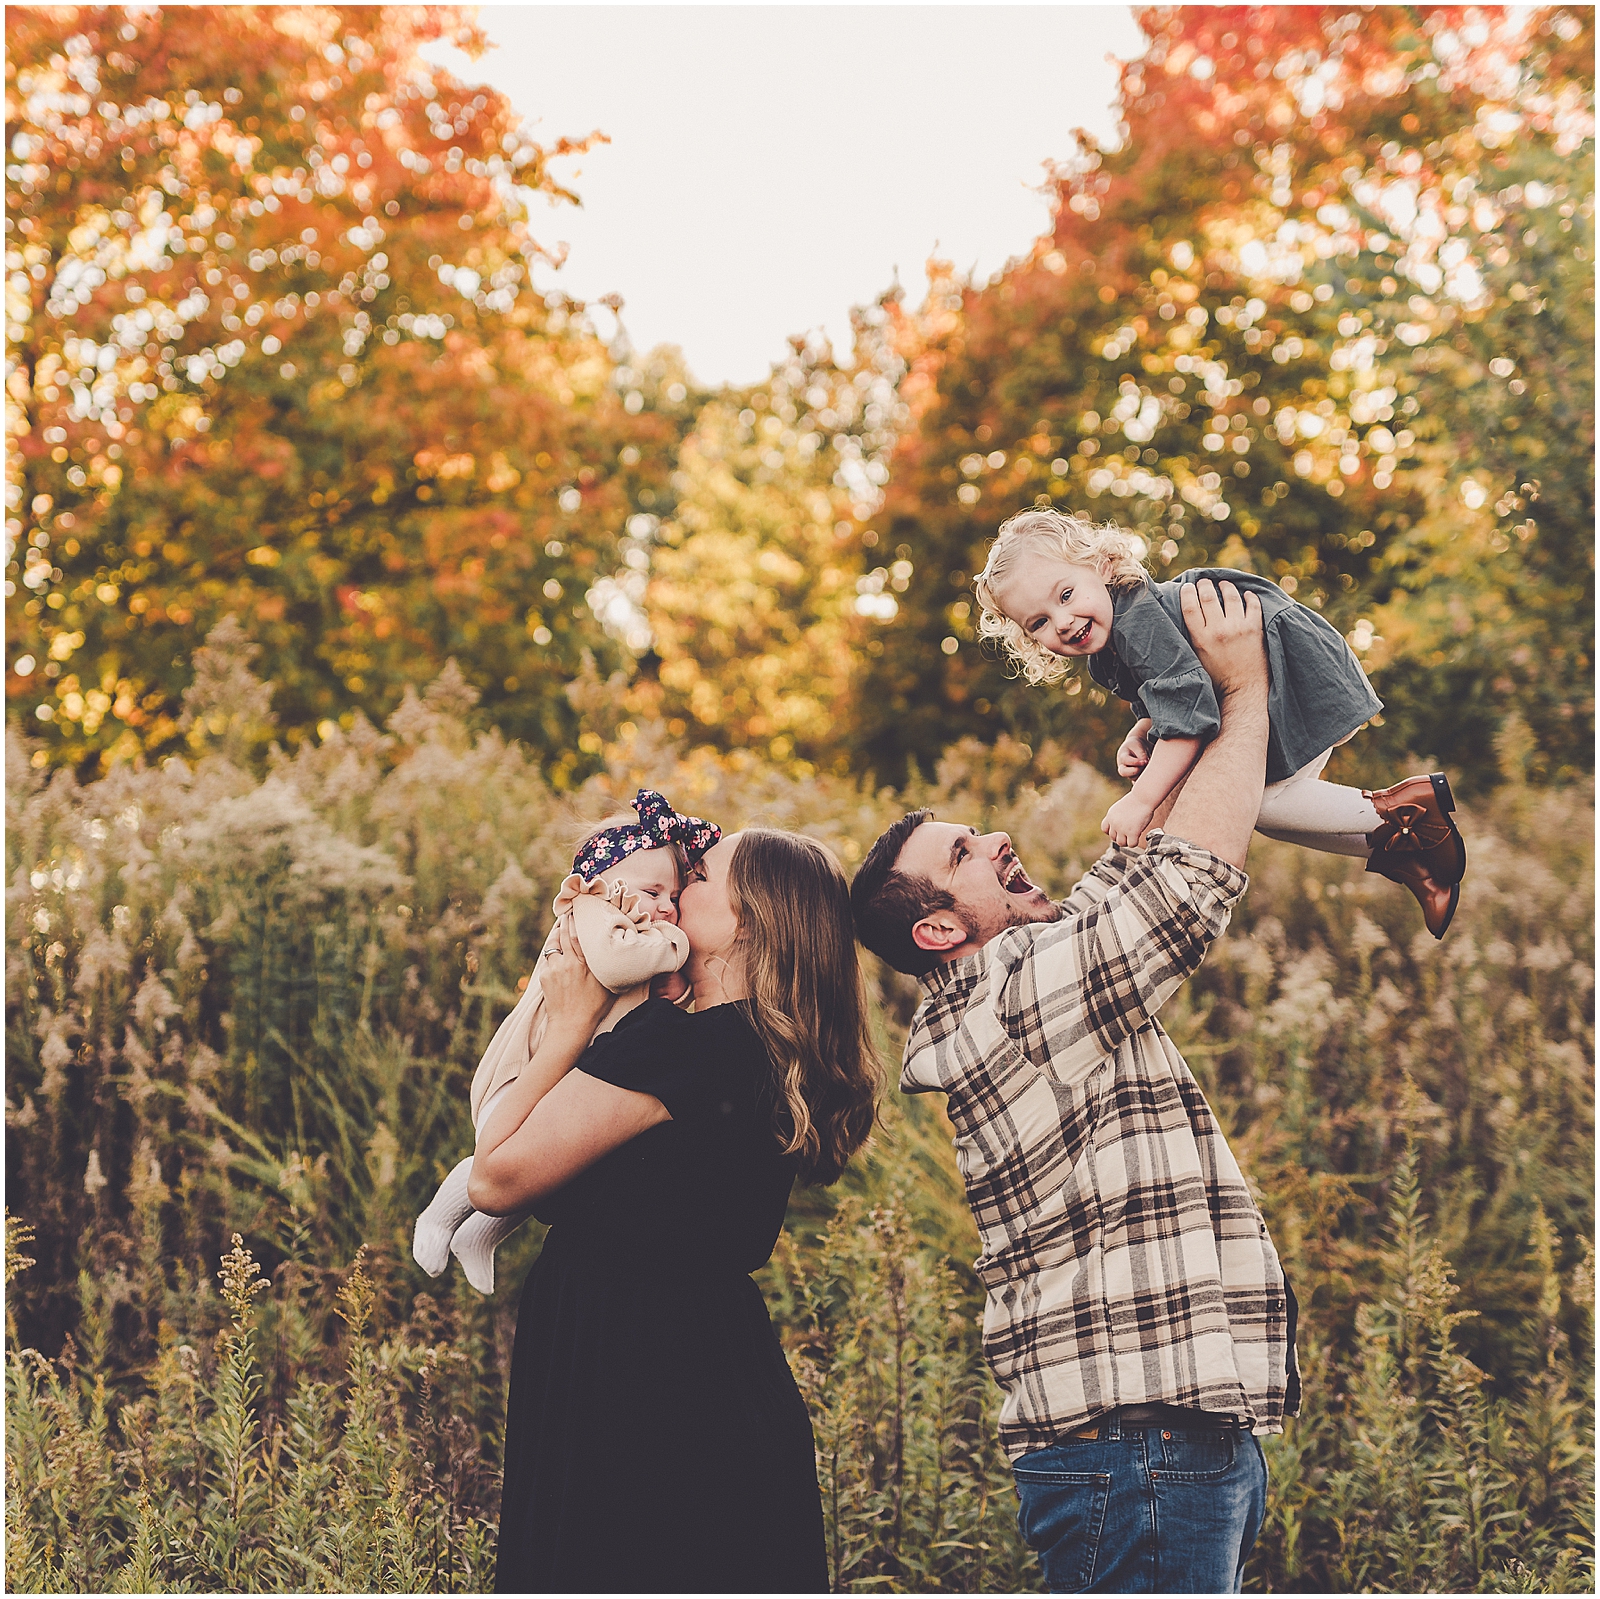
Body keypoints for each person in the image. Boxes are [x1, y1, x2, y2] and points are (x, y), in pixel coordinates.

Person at [851, 579, 1298, 1595]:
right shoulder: (1012, 997)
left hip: (1162, 1444)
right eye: (964, 854)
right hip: (1138, 1452)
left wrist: (1169, 735)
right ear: (937, 930)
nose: (995, 839)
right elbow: (1190, 881)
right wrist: (1245, 687)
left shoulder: (1030, 968)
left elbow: (1145, 867)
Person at [470, 827, 881, 1593]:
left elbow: (494, 1177)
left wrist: (566, 1024)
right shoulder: (759, 1048)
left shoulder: (686, 1049)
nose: (673, 886)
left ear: (748, 919)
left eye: (699, 879)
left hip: (631, 1379)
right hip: (717, 1366)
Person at [974, 507, 1467, 937]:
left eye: (1064, 595)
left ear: (1101, 566)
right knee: (1255, 807)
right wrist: (1144, 729)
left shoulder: (1136, 622)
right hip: (1274, 676)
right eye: (1038, 622)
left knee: (1253, 800)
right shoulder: (1111, 642)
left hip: (1286, 671)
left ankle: (1410, 812)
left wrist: (1141, 800)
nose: (1060, 622)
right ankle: (1407, 853)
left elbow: (1190, 719)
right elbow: (1180, 690)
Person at [411, 788, 718, 1293]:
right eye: (653, 892)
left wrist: (675, 990)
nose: (666, 907)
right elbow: (619, 965)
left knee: (546, 1167)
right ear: (605, 882)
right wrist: (676, 944)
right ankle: (439, 1220)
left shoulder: (632, 925)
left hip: (568, 1073)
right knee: (503, 1156)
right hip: (525, 1069)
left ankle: (478, 1238)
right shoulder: (593, 909)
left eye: (673, 896)